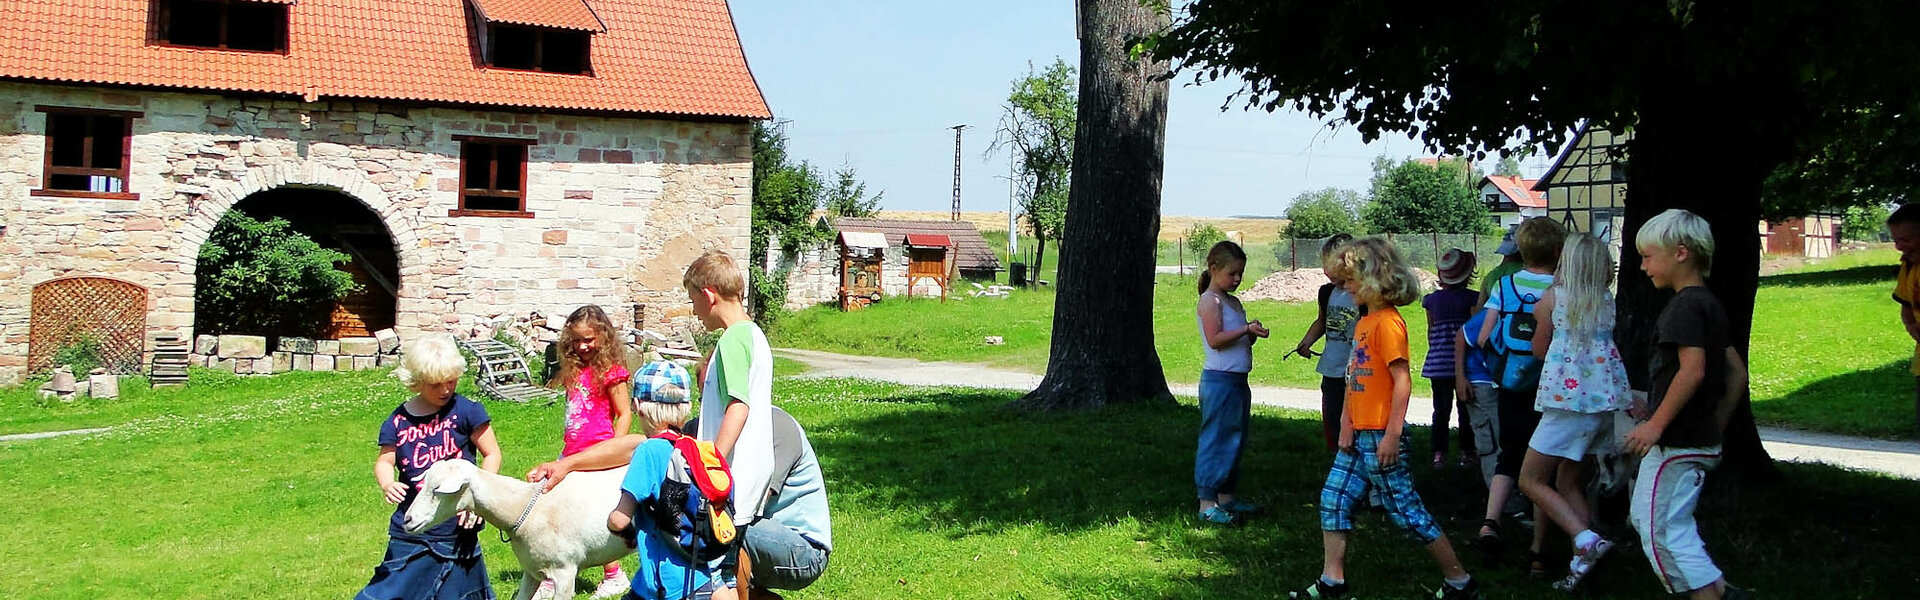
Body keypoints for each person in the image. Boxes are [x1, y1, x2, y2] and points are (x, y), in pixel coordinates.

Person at [1289, 237, 1483, 600]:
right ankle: (1333, 581)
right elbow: (1353, 379)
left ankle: (1460, 582)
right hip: (1358, 434)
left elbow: (1402, 382)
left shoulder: (1389, 324)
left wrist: (1393, 435)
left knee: (1406, 511)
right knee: (1334, 499)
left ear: (1373, 279)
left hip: (1381, 436)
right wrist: (1346, 423)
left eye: (1350, 281)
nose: (1345, 288)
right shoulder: (1364, 324)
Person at [530, 405, 833, 597]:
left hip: (802, 549)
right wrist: (567, 465)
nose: (708, 400)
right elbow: (641, 446)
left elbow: (749, 504)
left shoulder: (775, 426)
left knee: (726, 531)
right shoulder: (701, 429)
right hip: (739, 548)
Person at [1624, 209, 1752, 600]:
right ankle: (1722, 591)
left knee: (1660, 527)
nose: (1643, 267)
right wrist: (1714, 424)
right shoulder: (1708, 305)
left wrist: (1655, 425)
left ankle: (1707, 594)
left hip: (1677, 444)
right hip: (1696, 437)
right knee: (1653, 519)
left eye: (1648, 256)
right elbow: (1737, 373)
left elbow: (1692, 371)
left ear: (1680, 253)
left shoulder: (1684, 307)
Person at [1515, 234, 1632, 591]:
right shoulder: (1607, 300)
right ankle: (1582, 563)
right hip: (1601, 402)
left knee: (1530, 480)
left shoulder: (1553, 300)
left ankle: (1586, 541)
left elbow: (1538, 350)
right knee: (1568, 480)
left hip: (1566, 404)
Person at [358, 336, 502, 600]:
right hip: (411, 528)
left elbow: (491, 453)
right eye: (436, 384)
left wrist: (478, 500)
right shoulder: (398, 421)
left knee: (459, 594)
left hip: (457, 526)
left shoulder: (467, 412)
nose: (446, 390)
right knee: (390, 591)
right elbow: (384, 460)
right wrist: (387, 483)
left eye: (451, 380)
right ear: (417, 381)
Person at [1473, 217, 1566, 568]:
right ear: (1559, 251)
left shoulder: (1506, 285)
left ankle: (1490, 521)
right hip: (1550, 385)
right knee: (1547, 462)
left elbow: (1483, 336)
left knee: (1508, 453)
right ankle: (1539, 551)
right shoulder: (1560, 289)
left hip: (1510, 382)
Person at [543, 305, 635, 600]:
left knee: (595, 517)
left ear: (603, 338)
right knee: (560, 512)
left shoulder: (612, 372)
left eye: (589, 340)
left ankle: (613, 575)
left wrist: (616, 450)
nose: (582, 346)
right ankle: (552, 569)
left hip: (599, 454)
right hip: (571, 453)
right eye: (576, 340)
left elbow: (624, 414)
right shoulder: (573, 370)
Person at [607, 363, 718, 600]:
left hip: (666, 586)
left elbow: (619, 520)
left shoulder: (649, 451)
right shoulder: (692, 448)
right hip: (699, 579)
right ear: (686, 407)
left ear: (638, 407)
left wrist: (617, 525)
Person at [1194, 240, 1271, 524]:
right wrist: (1244, 329)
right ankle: (1207, 503)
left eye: (1240, 273)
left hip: (1238, 381)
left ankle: (1226, 497)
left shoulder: (1232, 301)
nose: (1237, 279)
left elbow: (1237, 338)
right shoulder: (1210, 300)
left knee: (1234, 440)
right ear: (1214, 269)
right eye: (1232, 273)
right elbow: (1215, 340)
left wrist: (1251, 333)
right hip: (1219, 381)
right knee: (1216, 440)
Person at [1292, 233, 1360, 453]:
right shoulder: (1326, 292)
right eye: (1324, 265)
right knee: (1332, 414)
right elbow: (1322, 321)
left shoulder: (1362, 293)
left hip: (1357, 368)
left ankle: (1357, 451)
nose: (1326, 271)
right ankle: (1336, 454)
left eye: (1331, 265)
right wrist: (1307, 341)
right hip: (1332, 367)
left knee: (1356, 415)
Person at [1422, 248, 1479, 468]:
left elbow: (1431, 330)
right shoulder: (1472, 299)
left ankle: (1438, 453)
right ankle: (1467, 452)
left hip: (1437, 363)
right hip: (1464, 364)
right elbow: (1473, 331)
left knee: (1441, 410)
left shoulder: (1431, 300)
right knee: (1466, 409)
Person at [1889, 204, 1920, 438]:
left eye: (1906, 240)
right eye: (1896, 240)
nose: (1899, 246)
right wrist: (1911, 325)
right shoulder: (1908, 265)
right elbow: (1906, 305)